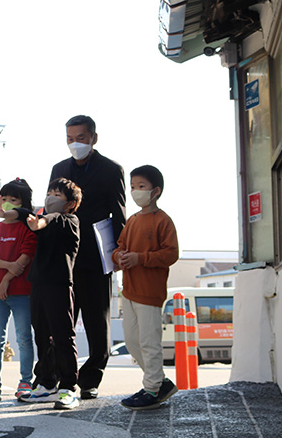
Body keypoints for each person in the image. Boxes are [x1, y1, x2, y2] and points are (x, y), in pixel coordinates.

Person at [49, 115, 125, 399]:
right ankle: (60, 378)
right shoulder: (59, 169)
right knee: (60, 322)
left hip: (97, 255)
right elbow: (52, 209)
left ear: (93, 137)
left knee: (97, 321)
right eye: (70, 139)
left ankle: (90, 379)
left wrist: (119, 250)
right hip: (64, 258)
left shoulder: (110, 169)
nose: (75, 144)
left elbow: (118, 214)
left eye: (80, 138)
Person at [112, 165, 179, 410]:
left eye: (141, 187)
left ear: (156, 191)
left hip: (150, 293)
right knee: (131, 342)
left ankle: (152, 388)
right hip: (128, 290)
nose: (135, 191)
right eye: (132, 187)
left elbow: (171, 254)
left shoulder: (163, 221)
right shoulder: (132, 220)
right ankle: (159, 383)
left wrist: (141, 258)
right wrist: (119, 257)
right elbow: (118, 247)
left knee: (149, 343)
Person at [21, 178, 82, 410]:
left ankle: (68, 387)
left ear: (70, 203)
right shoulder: (41, 222)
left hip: (59, 284)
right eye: (49, 192)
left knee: (63, 336)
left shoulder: (69, 220)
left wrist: (42, 221)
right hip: (38, 284)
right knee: (41, 335)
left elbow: (52, 219)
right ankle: (46, 384)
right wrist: (12, 211)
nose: (50, 197)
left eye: (57, 194)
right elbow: (29, 216)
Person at [0, 178, 37, 403]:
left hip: (22, 290)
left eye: (14, 200)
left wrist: (6, 278)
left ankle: (26, 382)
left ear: (23, 204)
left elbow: (27, 254)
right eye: (5, 199)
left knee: (24, 337)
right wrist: (8, 268)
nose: (8, 203)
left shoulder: (28, 227)